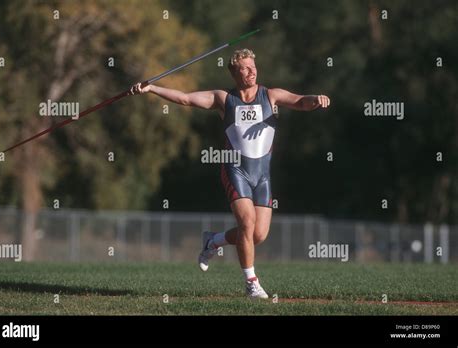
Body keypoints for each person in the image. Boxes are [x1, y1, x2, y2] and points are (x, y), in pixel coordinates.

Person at [130, 48, 330, 299]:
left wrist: (318, 99)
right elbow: (185, 98)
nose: (251, 70)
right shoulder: (224, 99)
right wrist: (152, 88)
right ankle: (251, 283)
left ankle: (213, 240)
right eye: (245, 67)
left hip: (262, 176)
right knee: (246, 223)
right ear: (234, 72)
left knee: (257, 234)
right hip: (236, 171)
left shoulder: (271, 95)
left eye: (253, 66)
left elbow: (301, 100)